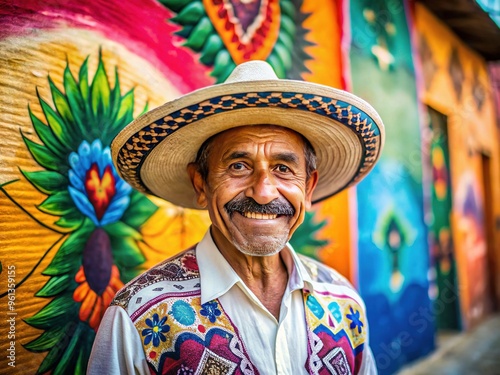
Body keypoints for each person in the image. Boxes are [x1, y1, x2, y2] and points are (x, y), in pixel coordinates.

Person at [88, 60, 384, 374]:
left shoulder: (343, 301)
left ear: (308, 188)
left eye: (283, 169)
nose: (264, 192)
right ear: (201, 184)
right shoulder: (137, 316)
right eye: (238, 166)